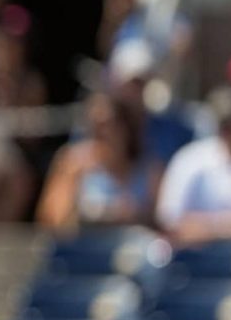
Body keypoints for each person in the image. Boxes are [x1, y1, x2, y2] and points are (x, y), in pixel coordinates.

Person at [37, 92, 162, 233]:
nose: (98, 132)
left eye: (106, 124)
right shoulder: (72, 161)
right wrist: (74, 181)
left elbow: (160, 223)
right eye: (93, 125)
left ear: (126, 127)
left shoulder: (150, 168)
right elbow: (51, 221)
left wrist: (132, 216)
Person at [156, 84, 231, 246]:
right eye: (226, 125)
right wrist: (224, 227)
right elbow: (170, 221)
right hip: (194, 260)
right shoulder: (190, 160)